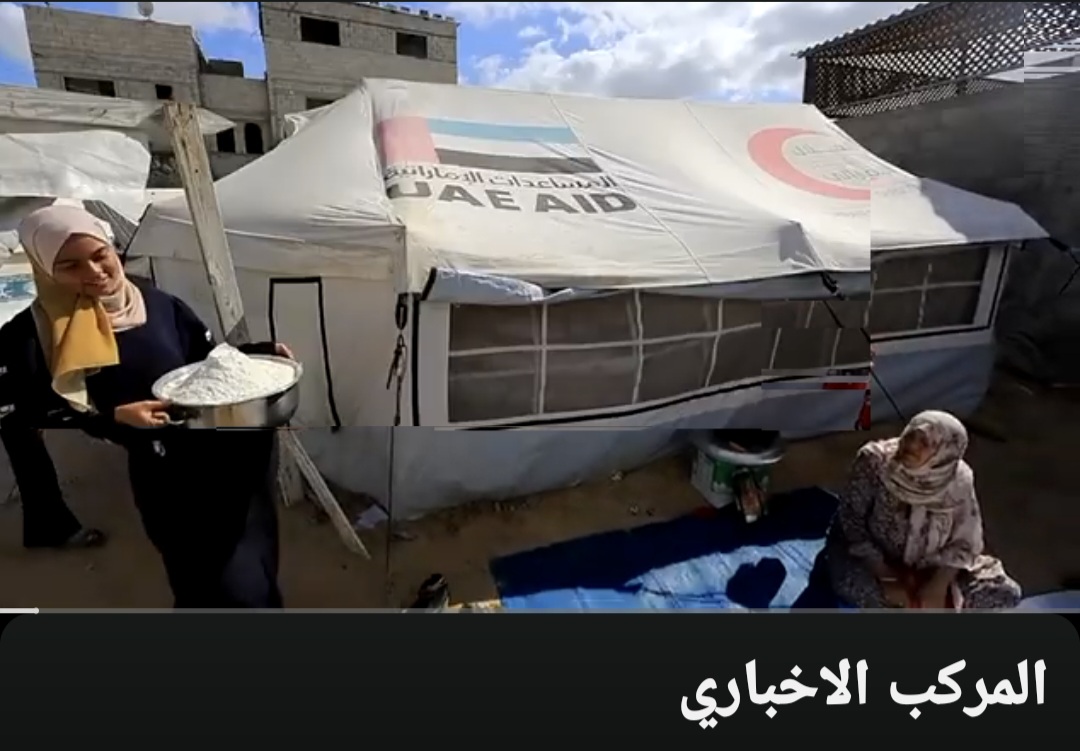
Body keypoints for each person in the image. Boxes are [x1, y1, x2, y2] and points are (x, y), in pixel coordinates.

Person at [8, 204, 292, 608]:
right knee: (211, 581)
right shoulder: (34, 334)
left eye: (100, 255)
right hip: (169, 476)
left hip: (232, 458)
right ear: (45, 270)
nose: (95, 272)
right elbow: (26, 412)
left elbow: (204, 360)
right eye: (70, 266)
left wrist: (255, 354)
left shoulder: (154, 301)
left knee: (256, 562)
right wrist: (112, 419)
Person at [826, 410, 1021, 610]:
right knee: (858, 588)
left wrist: (938, 586)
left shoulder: (958, 479)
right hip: (875, 559)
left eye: (924, 443)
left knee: (1005, 593)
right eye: (911, 436)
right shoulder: (874, 461)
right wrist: (886, 577)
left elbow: (964, 541)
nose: (911, 446)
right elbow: (851, 520)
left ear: (943, 454)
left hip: (933, 565)